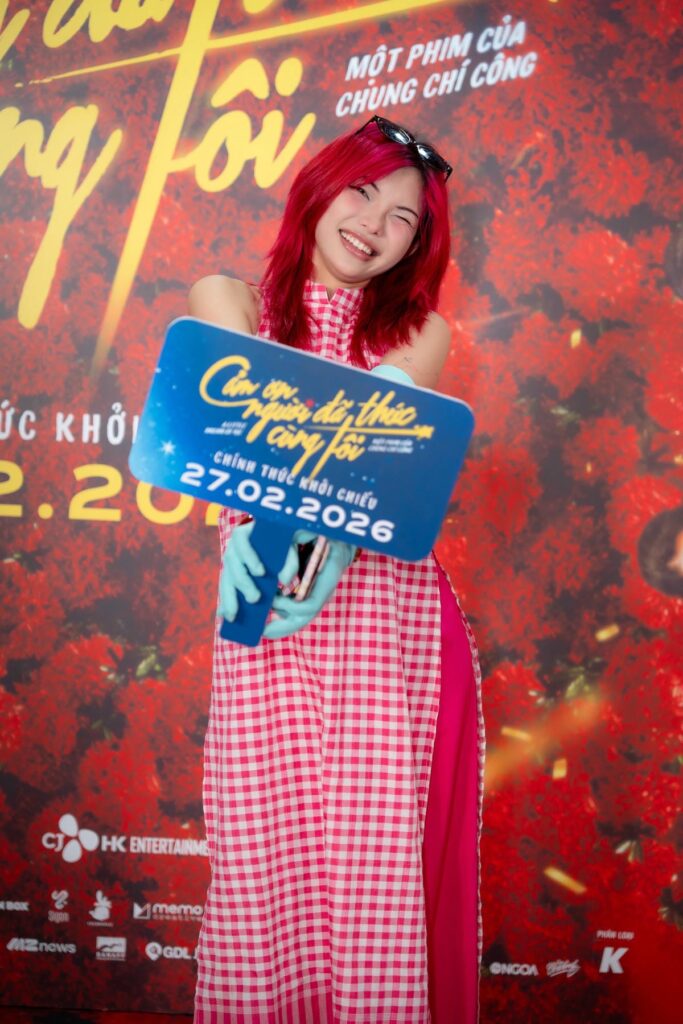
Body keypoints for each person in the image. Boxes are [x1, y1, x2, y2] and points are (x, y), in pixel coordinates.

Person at [188, 116, 484, 1023]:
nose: (374, 225)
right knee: (261, 860)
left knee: (373, 871)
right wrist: (265, 533)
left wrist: (333, 541)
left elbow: (379, 429)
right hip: (263, 602)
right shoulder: (228, 298)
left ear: (416, 246)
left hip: (388, 624)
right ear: (320, 188)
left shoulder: (423, 332)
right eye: (362, 192)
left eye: (403, 218)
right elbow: (245, 417)